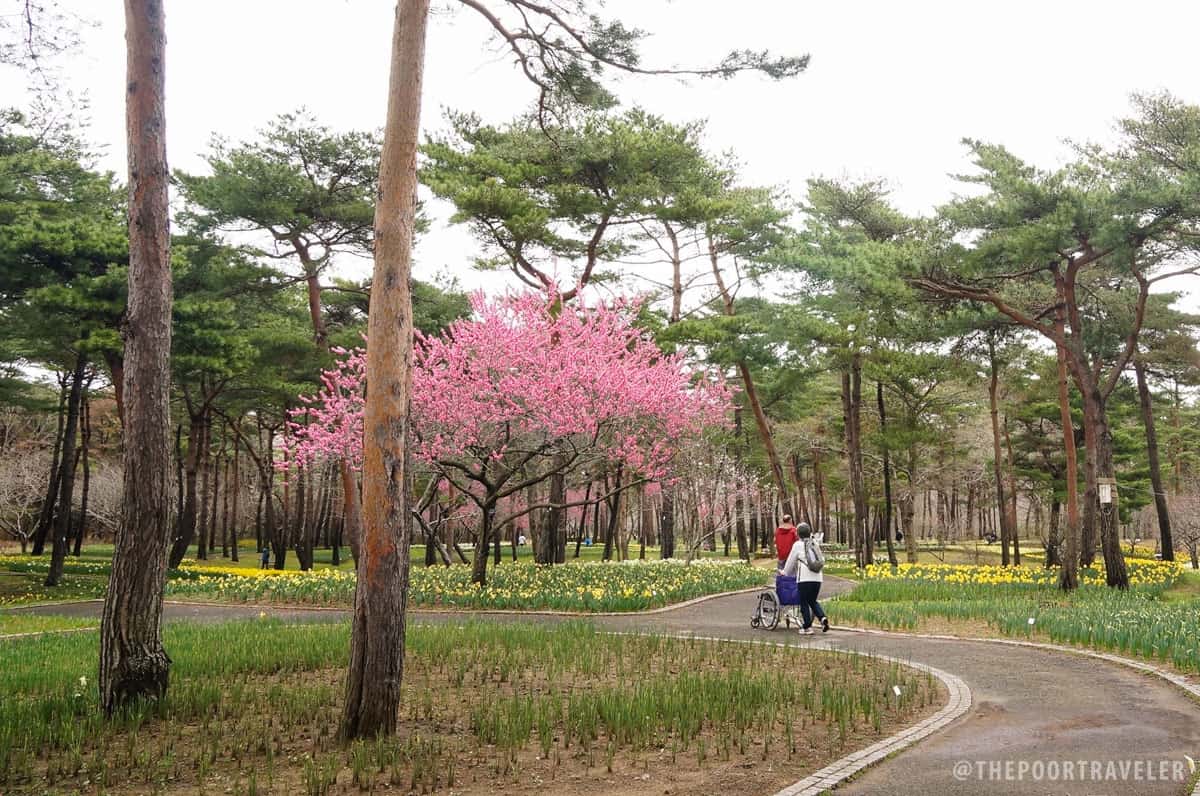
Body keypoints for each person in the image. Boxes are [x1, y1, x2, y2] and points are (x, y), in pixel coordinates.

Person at [780, 522, 828, 635]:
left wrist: (785, 572)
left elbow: (790, 562)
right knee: (812, 601)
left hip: (804, 579)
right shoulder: (814, 543)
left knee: (804, 602)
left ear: (798, 534)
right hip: (817, 578)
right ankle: (822, 618)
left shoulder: (797, 545)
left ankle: (807, 627)